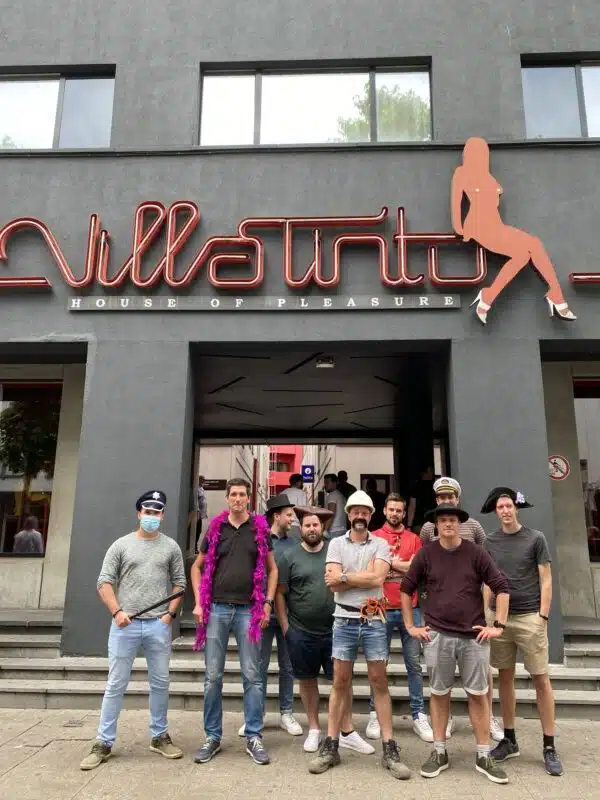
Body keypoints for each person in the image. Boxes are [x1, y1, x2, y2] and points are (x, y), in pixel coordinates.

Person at [400, 503, 510, 785]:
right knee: (439, 694)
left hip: (474, 637)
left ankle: (483, 755)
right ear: (436, 526)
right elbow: (406, 588)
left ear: (459, 524)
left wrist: (498, 626)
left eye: (452, 520)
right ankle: (439, 752)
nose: (448, 524)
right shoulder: (426, 553)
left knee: (479, 695)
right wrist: (411, 626)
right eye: (443, 520)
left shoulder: (476, 553)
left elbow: (501, 587)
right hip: (438, 635)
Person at [80, 490, 186, 770]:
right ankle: (103, 742)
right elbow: (104, 582)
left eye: (157, 512)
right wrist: (117, 612)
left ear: (162, 515)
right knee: (116, 684)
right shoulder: (121, 545)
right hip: (124, 626)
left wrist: (169, 615)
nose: (152, 516)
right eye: (147, 512)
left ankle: (159, 736)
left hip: (158, 626)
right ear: (139, 514)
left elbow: (180, 583)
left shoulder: (171, 547)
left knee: (160, 682)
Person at [308, 490, 411, 780]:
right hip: (344, 619)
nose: (360, 516)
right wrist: (360, 576)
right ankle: (331, 746)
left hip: (373, 618)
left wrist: (345, 576)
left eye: (365, 512)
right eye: (355, 511)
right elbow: (333, 585)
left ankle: (389, 747)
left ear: (371, 515)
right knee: (340, 681)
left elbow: (378, 578)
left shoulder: (380, 543)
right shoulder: (336, 544)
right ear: (349, 514)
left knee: (379, 681)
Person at [191, 478, 278, 766]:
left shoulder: (260, 530)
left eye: (242, 494)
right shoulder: (215, 528)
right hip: (216, 608)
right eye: (234, 494)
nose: (238, 499)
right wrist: (198, 602)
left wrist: (267, 603)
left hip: (249, 611)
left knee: (252, 675)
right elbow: (197, 567)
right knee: (212, 676)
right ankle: (212, 737)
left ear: (248, 498)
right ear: (227, 498)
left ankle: (253, 736)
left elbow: (272, 570)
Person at [480, 486, 564, 777]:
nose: (505, 511)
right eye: (500, 507)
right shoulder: (489, 542)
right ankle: (510, 739)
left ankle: (549, 745)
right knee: (504, 677)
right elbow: (487, 581)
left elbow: (546, 579)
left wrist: (543, 615)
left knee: (541, 679)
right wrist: (487, 613)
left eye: (508, 506)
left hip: (529, 616)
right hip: (499, 619)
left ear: (516, 508)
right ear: (496, 512)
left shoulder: (535, 538)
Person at [276, 505, 373, 756]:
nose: (311, 529)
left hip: (337, 629)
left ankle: (347, 731)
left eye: (315, 525)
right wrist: (286, 626)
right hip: (300, 631)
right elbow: (280, 593)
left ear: (322, 528)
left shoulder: (335, 552)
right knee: (307, 680)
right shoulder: (288, 557)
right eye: (307, 525)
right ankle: (314, 729)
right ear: (300, 529)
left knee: (343, 681)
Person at [451, 136, 576, 325]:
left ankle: (488, 297)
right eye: (478, 151)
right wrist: (458, 228)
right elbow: (455, 201)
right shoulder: (462, 173)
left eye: (483, 152)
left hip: (495, 225)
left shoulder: (488, 177)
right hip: (479, 226)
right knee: (533, 244)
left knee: (523, 255)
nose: (482, 155)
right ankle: (556, 295)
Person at [420, 477, 502, 743]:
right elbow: (425, 569)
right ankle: (447, 720)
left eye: (450, 496)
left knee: (482, 673)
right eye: (441, 497)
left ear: (457, 498)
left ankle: (488, 718)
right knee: (441, 679)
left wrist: (487, 611)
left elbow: (488, 570)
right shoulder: (428, 529)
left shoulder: (474, 527)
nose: (446, 501)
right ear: (436, 501)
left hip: (474, 615)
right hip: (441, 616)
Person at [365, 493, 433, 742]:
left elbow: (418, 569)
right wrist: (402, 565)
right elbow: (371, 571)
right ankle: (375, 713)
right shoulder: (373, 537)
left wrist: (388, 564)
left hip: (410, 608)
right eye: (391, 509)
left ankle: (418, 715)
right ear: (384, 510)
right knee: (377, 664)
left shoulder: (414, 539)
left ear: (404, 513)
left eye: (399, 510)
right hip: (378, 606)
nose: (395, 513)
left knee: (413, 664)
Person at [237, 493, 302, 737]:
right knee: (258, 666)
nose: (292, 519)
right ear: (277, 516)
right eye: (289, 515)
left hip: (289, 614)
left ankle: (286, 712)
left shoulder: (295, 543)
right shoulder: (258, 539)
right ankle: (257, 714)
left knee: (288, 666)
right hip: (260, 613)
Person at [407, 466, 436, 532]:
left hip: (428, 521)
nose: (432, 473)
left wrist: (409, 525)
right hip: (421, 521)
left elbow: (412, 506)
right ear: (424, 473)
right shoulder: (433, 487)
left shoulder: (435, 486)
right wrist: (409, 525)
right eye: (430, 471)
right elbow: (412, 506)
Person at [284, 474, 308, 538]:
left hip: (282, 526)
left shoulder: (282, 493)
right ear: (299, 482)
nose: (302, 484)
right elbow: (303, 511)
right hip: (294, 526)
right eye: (302, 482)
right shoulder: (301, 493)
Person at [324, 474, 347, 538]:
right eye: (325, 483)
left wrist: (325, 530)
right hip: (343, 529)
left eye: (327, 482)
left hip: (333, 531)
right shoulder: (342, 496)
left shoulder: (332, 495)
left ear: (334, 483)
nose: (325, 485)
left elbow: (331, 513)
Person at [195, 475, 208, 552]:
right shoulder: (196, 488)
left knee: (199, 530)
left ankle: (195, 547)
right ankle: (194, 547)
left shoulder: (201, 488)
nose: (203, 481)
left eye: (203, 480)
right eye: (201, 480)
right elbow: (196, 501)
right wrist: (197, 512)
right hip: (197, 514)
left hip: (201, 514)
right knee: (196, 530)